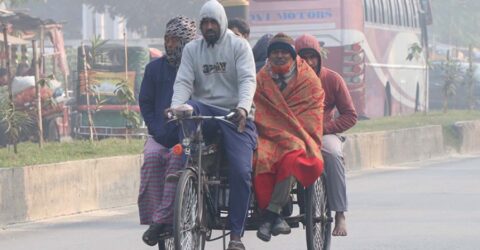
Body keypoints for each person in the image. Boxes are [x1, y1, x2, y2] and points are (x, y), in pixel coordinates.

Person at [169, 1, 257, 249]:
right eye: (204, 23)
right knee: (189, 110)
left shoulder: (238, 46)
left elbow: (248, 80)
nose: (208, 27)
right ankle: (192, 175)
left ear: (222, 22)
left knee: (241, 172)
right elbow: (183, 82)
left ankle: (236, 235)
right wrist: (176, 107)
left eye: (213, 23)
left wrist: (242, 107)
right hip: (204, 111)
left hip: (235, 115)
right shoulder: (192, 50)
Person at [253, 33, 325, 242]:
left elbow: (312, 111)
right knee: (258, 158)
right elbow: (258, 110)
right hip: (268, 135)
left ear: (293, 55)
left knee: (292, 155)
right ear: (269, 56)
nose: (280, 56)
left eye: (284, 52)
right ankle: (273, 215)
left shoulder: (307, 78)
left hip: (298, 135)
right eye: (275, 52)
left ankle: (270, 215)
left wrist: (293, 132)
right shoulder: (261, 79)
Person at [137, 15, 197, 246]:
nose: (170, 44)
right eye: (167, 39)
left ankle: (163, 220)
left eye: (175, 40)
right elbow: (146, 102)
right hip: (159, 134)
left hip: (188, 135)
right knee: (151, 160)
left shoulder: (196, 68)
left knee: (176, 159)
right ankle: (156, 219)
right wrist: (156, 129)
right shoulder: (153, 69)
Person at [295, 33, 358, 237]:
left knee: (332, 154)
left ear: (319, 57)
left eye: (312, 57)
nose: (309, 62)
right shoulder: (288, 80)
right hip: (295, 134)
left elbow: (350, 116)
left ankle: (340, 213)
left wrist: (325, 128)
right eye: (303, 57)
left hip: (324, 133)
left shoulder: (332, 79)